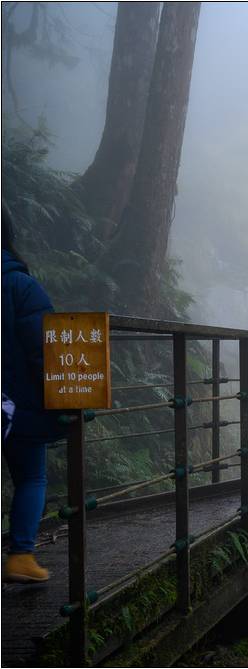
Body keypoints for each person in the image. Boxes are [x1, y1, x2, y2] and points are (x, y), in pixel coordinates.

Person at [2, 208, 67, 582]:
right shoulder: (20, 287)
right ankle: (21, 556)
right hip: (14, 406)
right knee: (31, 476)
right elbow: (46, 351)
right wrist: (63, 401)